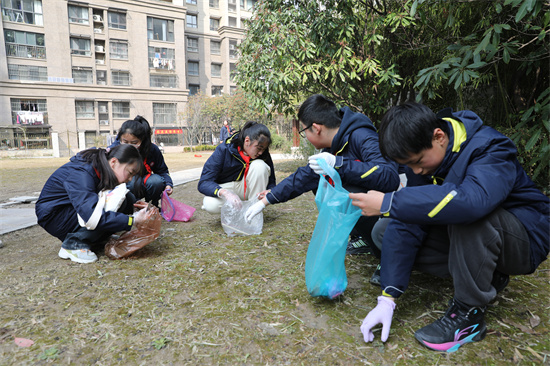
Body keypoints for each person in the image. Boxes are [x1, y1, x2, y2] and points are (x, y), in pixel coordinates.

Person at [350, 102, 550, 352]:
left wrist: (390, 201)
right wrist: (387, 298)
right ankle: (489, 274)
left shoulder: (490, 147)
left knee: (464, 212)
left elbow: (473, 202)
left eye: (417, 162)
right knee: (386, 229)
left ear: (439, 136)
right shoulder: (425, 164)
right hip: (484, 236)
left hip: (525, 238)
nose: (416, 171)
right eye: (409, 166)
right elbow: (409, 223)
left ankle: (469, 316)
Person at [244, 94, 400, 254]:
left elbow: (389, 176)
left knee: (347, 188)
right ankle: (361, 237)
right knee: (322, 183)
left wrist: (339, 164)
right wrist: (267, 200)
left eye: (304, 131)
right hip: (370, 209)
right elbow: (304, 176)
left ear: (316, 128)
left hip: (389, 212)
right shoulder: (333, 146)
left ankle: (385, 252)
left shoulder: (362, 136)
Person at [35, 144, 149, 264]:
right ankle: (73, 244)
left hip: (69, 209)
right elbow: (93, 216)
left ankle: (99, 238)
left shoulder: (99, 167)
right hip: (55, 215)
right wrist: (132, 220)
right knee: (101, 212)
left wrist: (138, 206)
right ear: (114, 162)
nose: (130, 179)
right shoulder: (82, 173)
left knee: (123, 199)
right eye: (130, 173)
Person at [199, 121, 276, 213]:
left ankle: (253, 212)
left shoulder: (263, 155)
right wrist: (225, 193)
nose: (261, 153)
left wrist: (270, 191)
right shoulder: (224, 149)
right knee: (210, 203)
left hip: (251, 192)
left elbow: (271, 181)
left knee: (260, 166)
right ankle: (237, 210)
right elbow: (204, 182)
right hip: (228, 189)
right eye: (259, 148)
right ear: (247, 141)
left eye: (263, 149)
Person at [110, 115, 173, 207]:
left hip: (145, 180)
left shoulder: (152, 149)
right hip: (125, 184)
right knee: (133, 182)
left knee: (156, 181)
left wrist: (168, 184)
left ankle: (152, 206)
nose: (129, 145)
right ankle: (132, 207)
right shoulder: (115, 149)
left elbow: (162, 170)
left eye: (134, 143)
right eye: (125, 142)